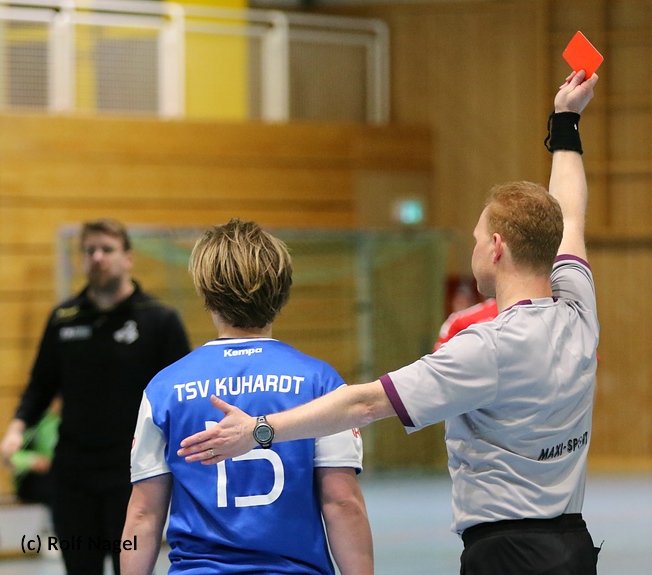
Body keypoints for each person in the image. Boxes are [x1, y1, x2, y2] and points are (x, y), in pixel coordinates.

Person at [177, 69, 600, 575]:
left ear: (495, 247)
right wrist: (567, 121)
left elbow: (364, 403)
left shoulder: (485, 348)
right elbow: (571, 216)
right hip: (573, 546)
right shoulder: (579, 309)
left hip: (507, 554)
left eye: (474, 239)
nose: (471, 249)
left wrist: (259, 430)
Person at [121, 219, 373, 575]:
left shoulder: (164, 388)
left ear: (206, 294)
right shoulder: (321, 383)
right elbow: (342, 502)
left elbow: (144, 514)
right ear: (282, 291)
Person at [0, 218, 191, 575]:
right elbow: (41, 385)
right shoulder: (64, 318)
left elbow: (181, 395)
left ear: (128, 258)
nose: (97, 257)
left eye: (107, 249)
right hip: (73, 474)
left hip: (132, 473)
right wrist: (16, 430)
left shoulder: (158, 319)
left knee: (129, 567)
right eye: (89, 251)